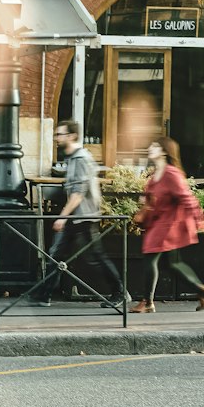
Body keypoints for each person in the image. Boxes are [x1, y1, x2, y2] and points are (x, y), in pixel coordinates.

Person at [32, 119, 129, 307]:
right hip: (74, 216)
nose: (56, 138)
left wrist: (62, 217)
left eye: (59, 134)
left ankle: (120, 292)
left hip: (84, 216)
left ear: (72, 136)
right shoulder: (73, 158)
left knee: (95, 257)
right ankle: (44, 294)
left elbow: (78, 193)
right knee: (56, 253)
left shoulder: (81, 159)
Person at [133, 137, 204, 313]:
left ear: (164, 151)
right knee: (171, 264)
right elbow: (153, 197)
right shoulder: (156, 173)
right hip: (158, 222)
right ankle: (201, 290)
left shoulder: (171, 174)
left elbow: (187, 197)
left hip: (167, 225)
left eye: (154, 146)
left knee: (149, 257)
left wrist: (199, 219)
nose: (150, 148)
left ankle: (147, 302)